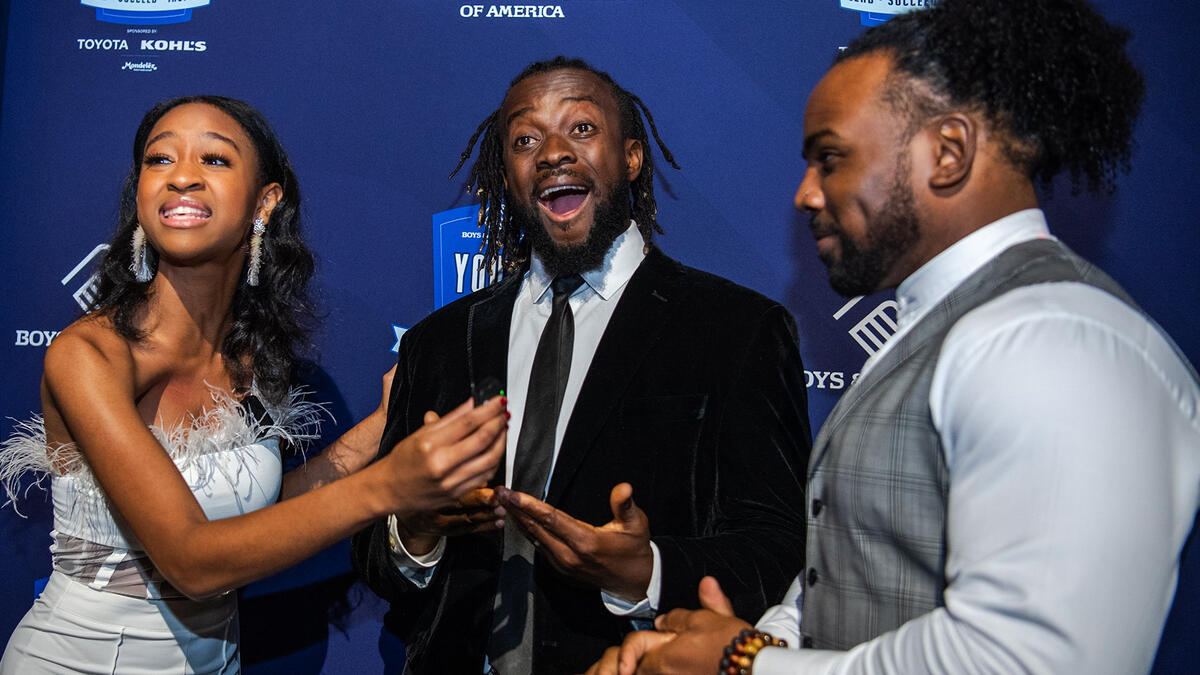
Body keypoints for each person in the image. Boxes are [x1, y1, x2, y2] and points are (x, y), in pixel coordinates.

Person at [584, 1, 1200, 673]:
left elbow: (1030, 659)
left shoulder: (1054, 342)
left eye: (831, 158)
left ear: (947, 152)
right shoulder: (951, 330)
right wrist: (770, 635)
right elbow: (859, 560)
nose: (804, 194)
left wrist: (749, 663)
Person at [0, 95, 507, 674]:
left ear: (265, 202)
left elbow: (252, 514)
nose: (183, 177)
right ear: (140, 193)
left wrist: (383, 426)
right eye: (159, 160)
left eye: (214, 160)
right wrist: (389, 487)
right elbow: (191, 561)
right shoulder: (88, 354)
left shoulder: (246, 356)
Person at [351, 56, 812, 674]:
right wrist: (417, 529)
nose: (552, 153)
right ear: (506, 175)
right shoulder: (438, 342)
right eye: (525, 139)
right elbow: (376, 558)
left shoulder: (737, 329)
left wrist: (648, 568)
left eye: (582, 129)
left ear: (631, 157)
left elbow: (780, 549)